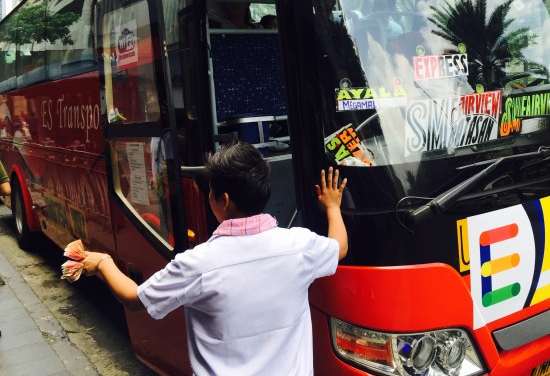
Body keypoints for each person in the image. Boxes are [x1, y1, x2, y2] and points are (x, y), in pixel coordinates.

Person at [78, 141, 348, 376]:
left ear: (224, 200)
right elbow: (339, 247)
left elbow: (136, 299)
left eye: (210, 191)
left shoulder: (197, 264)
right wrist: (333, 207)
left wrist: (103, 262)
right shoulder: (299, 245)